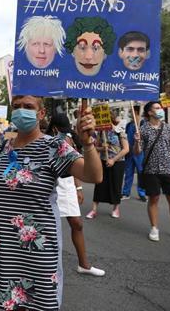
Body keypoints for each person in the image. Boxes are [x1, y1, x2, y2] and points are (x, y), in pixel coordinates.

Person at [0, 95, 102, 310]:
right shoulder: (3, 148)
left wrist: (88, 144)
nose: (21, 111)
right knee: (12, 303)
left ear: (41, 113)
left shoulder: (53, 146)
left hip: (37, 247)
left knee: (38, 303)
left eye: (28, 106)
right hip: (4, 245)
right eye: (16, 107)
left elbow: (93, 175)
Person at [47, 114, 105, 277]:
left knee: (77, 223)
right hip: (51, 186)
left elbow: (76, 164)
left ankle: (84, 264)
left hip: (67, 185)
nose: (66, 133)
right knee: (49, 228)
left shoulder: (69, 139)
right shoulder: (46, 141)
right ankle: (47, 268)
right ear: (55, 129)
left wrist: (78, 188)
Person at [134, 101, 170, 242]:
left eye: (161, 107)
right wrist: (136, 141)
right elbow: (137, 152)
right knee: (154, 198)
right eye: (157, 108)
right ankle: (154, 228)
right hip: (151, 170)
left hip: (168, 169)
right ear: (150, 112)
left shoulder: (169, 128)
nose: (160, 110)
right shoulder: (143, 129)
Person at [86, 110, 128, 219]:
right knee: (99, 185)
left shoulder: (119, 131)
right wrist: (101, 148)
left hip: (118, 162)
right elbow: (96, 147)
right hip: (103, 161)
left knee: (116, 185)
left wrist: (113, 160)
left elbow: (126, 149)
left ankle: (116, 208)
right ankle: (94, 209)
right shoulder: (101, 132)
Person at [122, 105, 147, 201]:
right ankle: (125, 192)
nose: (129, 114)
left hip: (140, 153)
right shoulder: (129, 125)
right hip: (129, 153)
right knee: (128, 173)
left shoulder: (143, 124)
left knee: (141, 173)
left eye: (130, 111)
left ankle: (142, 193)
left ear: (136, 112)